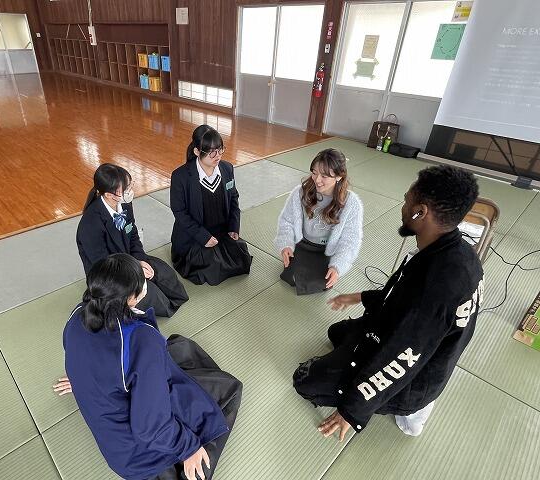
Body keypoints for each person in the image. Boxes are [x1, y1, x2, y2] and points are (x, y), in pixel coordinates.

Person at [293, 165, 484, 439]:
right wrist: (359, 297)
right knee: (338, 332)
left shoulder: (441, 285)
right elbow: (401, 297)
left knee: (305, 381)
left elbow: (404, 356)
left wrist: (352, 411)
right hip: (408, 336)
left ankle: (413, 409)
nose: (403, 207)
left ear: (421, 212)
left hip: (414, 375)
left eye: (406, 201)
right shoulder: (457, 252)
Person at [58, 254, 242, 480]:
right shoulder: (142, 339)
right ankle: (193, 464)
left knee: (180, 346)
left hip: (114, 426)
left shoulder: (79, 312)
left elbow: (76, 351)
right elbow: (150, 428)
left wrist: (81, 380)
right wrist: (188, 447)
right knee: (230, 387)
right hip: (141, 455)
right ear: (131, 298)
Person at [77, 163, 188, 317]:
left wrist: (140, 260)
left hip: (130, 260)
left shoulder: (124, 204)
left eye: (130, 185)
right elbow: (102, 265)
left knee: (163, 273)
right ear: (109, 195)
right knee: (150, 294)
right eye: (126, 188)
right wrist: (134, 270)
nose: (130, 190)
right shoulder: (90, 224)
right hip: (110, 274)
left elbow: (133, 235)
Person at [169, 125, 252, 285]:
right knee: (212, 267)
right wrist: (203, 237)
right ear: (197, 151)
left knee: (241, 258)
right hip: (195, 235)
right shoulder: (181, 176)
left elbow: (234, 198)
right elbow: (179, 212)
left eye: (220, 150)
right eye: (212, 152)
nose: (217, 156)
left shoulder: (227, 169)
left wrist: (234, 227)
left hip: (221, 232)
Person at [275, 148, 363, 295]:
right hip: (302, 244)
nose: (317, 180)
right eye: (314, 173)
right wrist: (286, 244)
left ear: (339, 176)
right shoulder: (300, 192)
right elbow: (287, 221)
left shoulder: (351, 203)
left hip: (327, 251)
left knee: (322, 282)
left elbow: (350, 240)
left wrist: (337, 266)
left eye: (324, 176)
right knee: (291, 276)